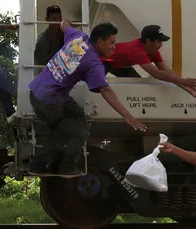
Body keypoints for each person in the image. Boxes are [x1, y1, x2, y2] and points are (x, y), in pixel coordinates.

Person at [28, 20, 147, 177]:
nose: (114, 47)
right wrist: (127, 115)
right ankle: (60, 167)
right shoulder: (93, 63)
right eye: (112, 42)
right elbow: (106, 90)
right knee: (77, 132)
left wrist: (67, 22)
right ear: (100, 41)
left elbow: (64, 25)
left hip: (39, 90)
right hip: (48, 103)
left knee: (79, 118)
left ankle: (49, 163)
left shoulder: (78, 37)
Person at [101, 25, 196, 97]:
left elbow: (166, 71)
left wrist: (189, 90)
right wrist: (184, 81)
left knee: (136, 87)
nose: (161, 45)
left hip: (122, 65)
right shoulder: (137, 52)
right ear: (148, 41)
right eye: (159, 41)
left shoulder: (153, 50)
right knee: (98, 85)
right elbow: (157, 74)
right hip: (104, 61)